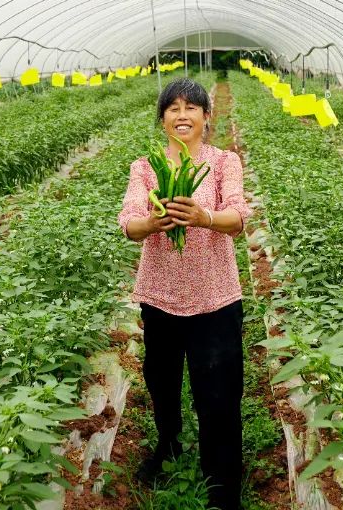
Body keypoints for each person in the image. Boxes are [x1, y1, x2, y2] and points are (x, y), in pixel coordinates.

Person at [118, 78, 251, 510]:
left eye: (191, 107)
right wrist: (154, 223)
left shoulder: (224, 162)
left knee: (220, 392)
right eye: (172, 108)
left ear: (206, 118)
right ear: (162, 120)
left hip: (215, 297)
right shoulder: (146, 167)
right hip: (160, 297)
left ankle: (224, 480)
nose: (182, 115)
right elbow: (129, 224)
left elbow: (237, 217)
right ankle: (169, 445)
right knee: (162, 382)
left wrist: (203, 215)